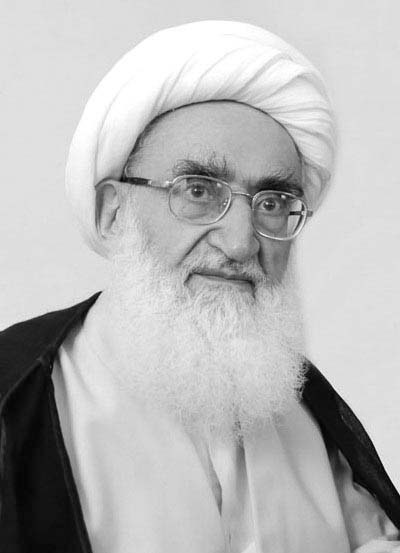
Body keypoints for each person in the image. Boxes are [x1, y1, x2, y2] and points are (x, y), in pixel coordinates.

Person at [0, 20, 399, 553]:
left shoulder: (312, 415)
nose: (240, 242)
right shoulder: (15, 401)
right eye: (197, 191)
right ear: (112, 212)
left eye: (272, 203)